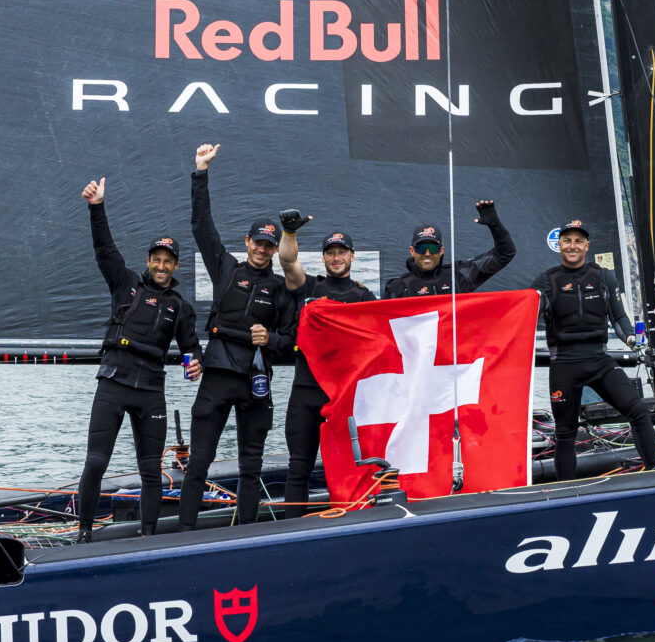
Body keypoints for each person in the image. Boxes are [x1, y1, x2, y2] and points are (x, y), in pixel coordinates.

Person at [77, 177, 203, 543]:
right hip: (114, 382)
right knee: (96, 463)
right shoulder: (125, 284)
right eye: (156, 260)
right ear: (148, 261)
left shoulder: (180, 306)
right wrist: (96, 207)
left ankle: (148, 540)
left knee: (151, 470)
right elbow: (104, 248)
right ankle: (83, 535)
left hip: (150, 391)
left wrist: (195, 362)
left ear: (175, 266)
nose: (161, 266)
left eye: (168, 262)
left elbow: (191, 347)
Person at [178, 144, 296, 530]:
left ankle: (246, 534)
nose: (262, 250)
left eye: (269, 245)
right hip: (217, 377)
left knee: (251, 466)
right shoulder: (226, 268)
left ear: (276, 249)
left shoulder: (280, 288)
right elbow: (201, 226)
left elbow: (292, 341)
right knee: (198, 462)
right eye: (257, 243)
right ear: (247, 243)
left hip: (256, 385)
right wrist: (200, 173)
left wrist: (271, 340)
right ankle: (183, 534)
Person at [531, 220, 655, 480]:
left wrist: (630, 339)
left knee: (638, 410)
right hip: (564, 365)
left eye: (578, 241)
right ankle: (568, 493)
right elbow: (523, 317)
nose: (572, 246)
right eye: (567, 241)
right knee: (566, 431)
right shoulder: (547, 280)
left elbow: (619, 316)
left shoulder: (602, 276)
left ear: (587, 246)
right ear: (559, 245)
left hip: (599, 361)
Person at [277, 211, 377, 518]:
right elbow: (287, 262)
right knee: (299, 468)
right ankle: (290, 535)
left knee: (350, 468)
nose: (336, 257)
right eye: (330, 253)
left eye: (341, 252)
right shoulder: (310, 288)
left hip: (345, 397)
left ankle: (352, 526)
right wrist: (289, 233)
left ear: (352, 256)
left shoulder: (364, 297)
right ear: (323, 258)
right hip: (306, 392)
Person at [382, 200, 515, 298]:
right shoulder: (397, 287)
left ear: (441, 251)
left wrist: (494, 224)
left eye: (433, 248)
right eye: (422, 248)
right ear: (412, 251)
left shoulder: (459, 275)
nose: (427, 253)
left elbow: (505, 253)